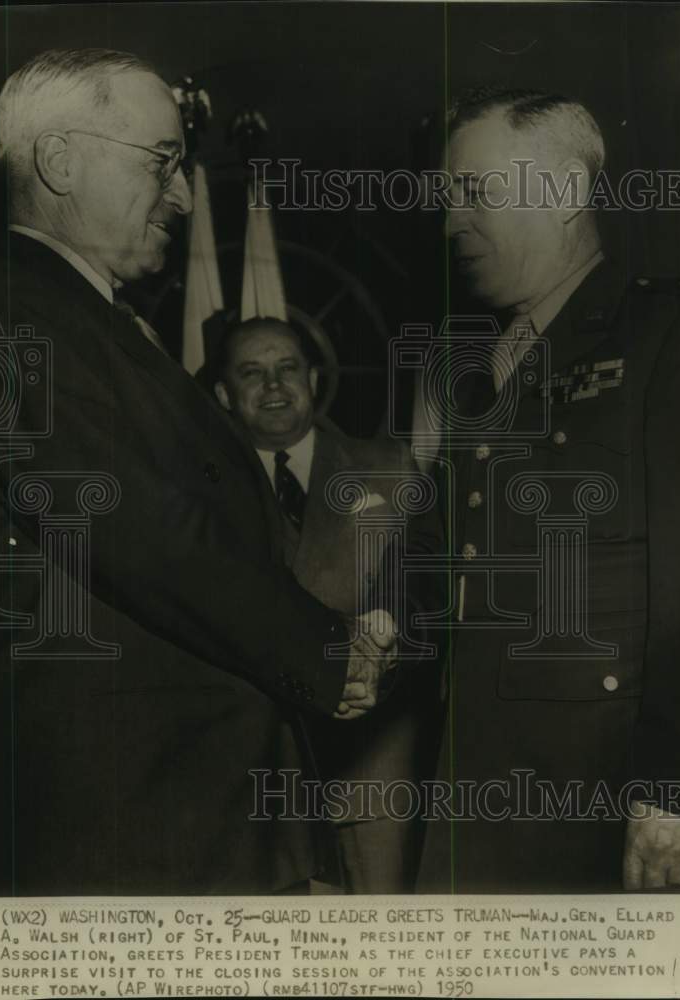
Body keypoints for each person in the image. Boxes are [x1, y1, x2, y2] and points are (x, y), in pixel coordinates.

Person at [0, 48, 395, 896]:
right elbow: (142, 531)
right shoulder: (6, 313)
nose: (186, 194)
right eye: (162, 163)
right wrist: (319, 649)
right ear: (59, 161)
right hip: (136, 837)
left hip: (192, 823)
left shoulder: (90, 320)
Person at [416, 86, 680, 893]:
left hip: (606, 794)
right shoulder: (482, 373)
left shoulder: (667, 337)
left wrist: (673, 785)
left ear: (566, 192)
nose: (449, 223)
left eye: (475, 194)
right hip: (478, 781)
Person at [210, 317, 444, 892]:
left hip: (372, 763)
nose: (273, 385)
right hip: (253, 777)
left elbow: (426, 594)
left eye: (287, 368)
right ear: (222, 394)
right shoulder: (202, 487)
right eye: (251, 373)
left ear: (313, 378)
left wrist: (383, 653)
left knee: (384, 950)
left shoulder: (388, 469)